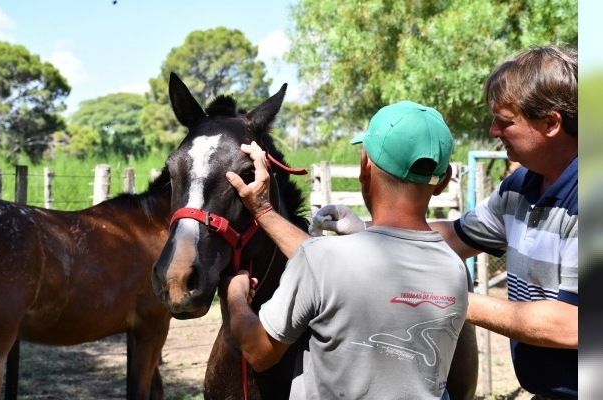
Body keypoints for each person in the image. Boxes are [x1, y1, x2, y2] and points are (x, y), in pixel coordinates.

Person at [314, 45, 579, 399]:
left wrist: (443, 297)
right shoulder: (521, 187)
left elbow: (572, 324)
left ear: (551, 123)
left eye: (505, 121)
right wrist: (372, 234)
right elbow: (454, 236)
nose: (493, 131)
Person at [224, 101, 469, 399]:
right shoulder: (454, 269)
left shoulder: (321, 260)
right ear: (443, 182)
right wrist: (264, 211)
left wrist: (235, 296)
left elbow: (258, 351)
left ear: (365, 167)